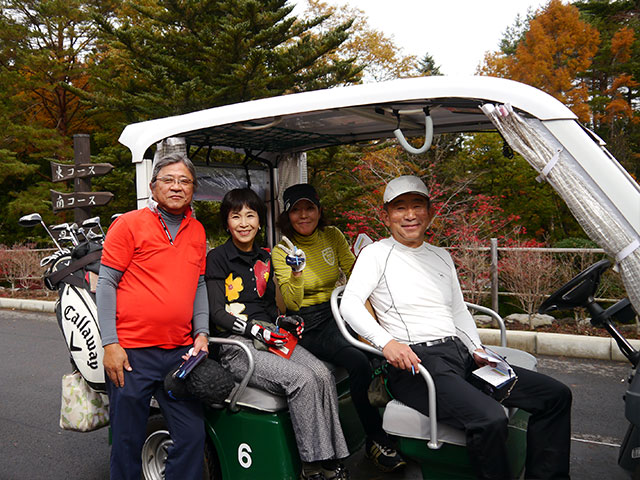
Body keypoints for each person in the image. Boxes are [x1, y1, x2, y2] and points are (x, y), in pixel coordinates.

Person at [339, 175, 572, 480]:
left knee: (554, 395)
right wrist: (387, 343)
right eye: (399, 208)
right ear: (386, 216)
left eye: (417, 205)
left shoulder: (441, 256)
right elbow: (350, 303)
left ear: (429, 212)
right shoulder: (377, 254)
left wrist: (475, 347)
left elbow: (458, 311)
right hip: (416, 364)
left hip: (460, 356)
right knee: (489, 419)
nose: (409, 215)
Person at [205, 188, 350, 480]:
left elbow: (269, 306)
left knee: (322, 374)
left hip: (270, 336)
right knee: (302, 379)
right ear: (227, 223)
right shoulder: (217, 258)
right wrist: (253, 328)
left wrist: (284, 321)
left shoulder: (266, 258)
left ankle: (332, 457)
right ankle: (311, 467)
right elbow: (217, 314)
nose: (244, 223)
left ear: (260, 221)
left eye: (250, 215)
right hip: (238, 345)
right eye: (236, 216)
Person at [272, 183, 407, 473]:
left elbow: (353, 272)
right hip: (308, 324)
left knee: (383, 349)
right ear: (288, 215)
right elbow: (291, 303)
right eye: (296, 210)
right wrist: (296, 271)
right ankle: (375, 439)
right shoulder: (282, 250)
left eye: (309, 208)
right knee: (358, 361)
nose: (304, 215)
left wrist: (366, 257)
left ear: (319, 211)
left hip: (337, 310)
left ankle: (400, 425)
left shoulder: (331, 236)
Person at [96, 153, 209, 480]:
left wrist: (201, 332)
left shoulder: (198, 231)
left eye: (185, 181)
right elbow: (106, 283)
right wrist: (110, 343)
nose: (177, 187)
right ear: (153, 187)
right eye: (169, 180)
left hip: (179, 353)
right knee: (127, 440)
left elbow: (198, 283)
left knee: (191, 436)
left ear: (193, 189)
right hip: (131, 353)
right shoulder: (128, 224)